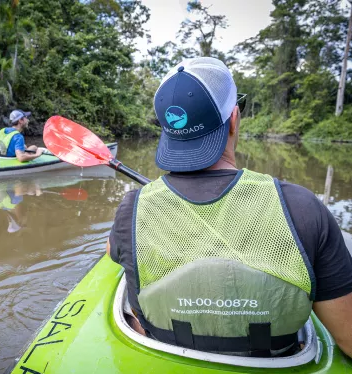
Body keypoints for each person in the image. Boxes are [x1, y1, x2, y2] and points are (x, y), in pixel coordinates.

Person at [107, 57, 352, 358]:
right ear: (235, 118)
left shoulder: (132, 209)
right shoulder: (302, 207)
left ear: (167, 127)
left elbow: (112, 251)